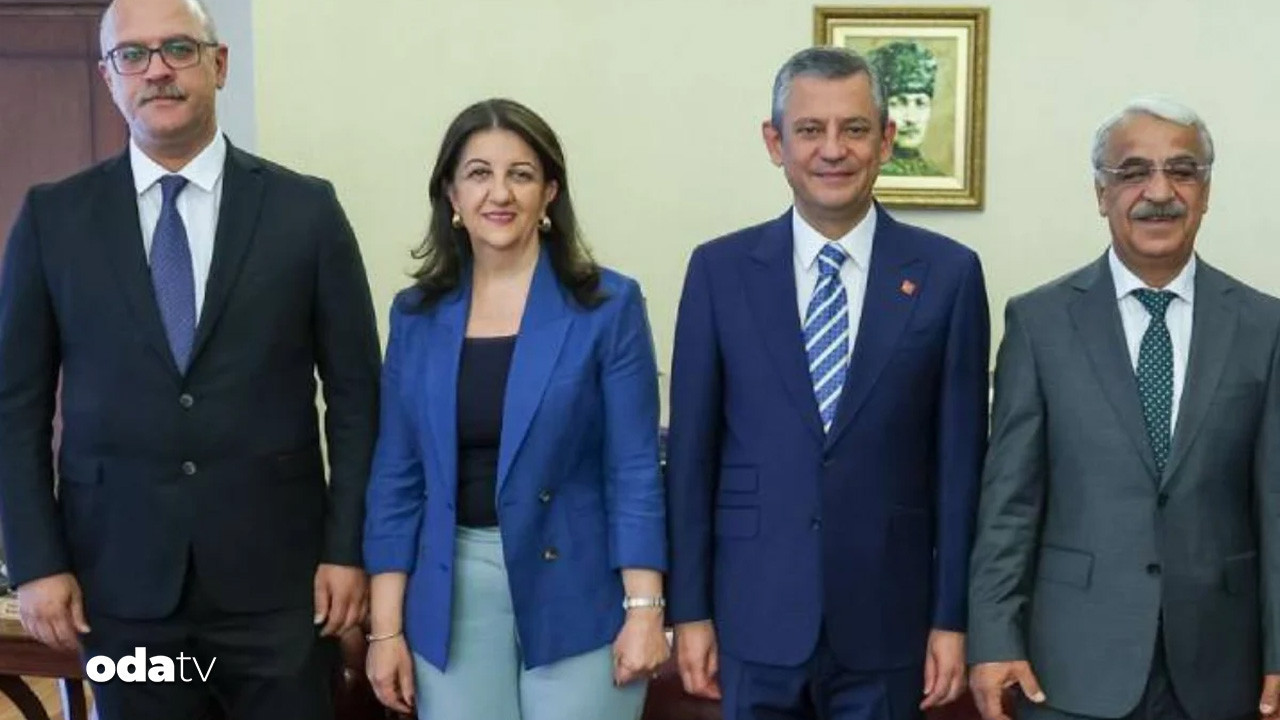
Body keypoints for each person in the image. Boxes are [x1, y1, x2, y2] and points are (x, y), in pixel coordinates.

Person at [0, 0, 381, 717]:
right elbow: (13, 409)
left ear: (219, 64)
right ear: (109, 77)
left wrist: (348, 547)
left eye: (178, 48)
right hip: (119, 585)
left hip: (281, 586)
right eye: (133, 55)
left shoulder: (305, 212)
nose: (157, 71)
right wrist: (36, 561)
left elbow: (358, 398)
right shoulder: (54, 219)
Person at [665, 46, 990, 720]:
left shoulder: (950, 275)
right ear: (775, 142)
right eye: (810, 130)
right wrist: (689, 610)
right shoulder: (719, 272)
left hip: (889, 620)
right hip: (752, 615)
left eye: (855, 129)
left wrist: (952, 618)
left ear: (886, 141)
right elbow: (692, 459)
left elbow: (961, 468)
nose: (833, 150)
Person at [968, 97, 1280, 720]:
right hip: (1069, 666)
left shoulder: (1263, 326)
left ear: (1206, 190)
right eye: (1133, 172)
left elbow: (1275, 506)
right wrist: (995, 638)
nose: (1159, 192)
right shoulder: (1039, 323)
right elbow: (1010, 504)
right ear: (1101, 193)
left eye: (1182, 171)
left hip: (1220, 665)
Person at [362, 98, 669, 720]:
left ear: (549, 192)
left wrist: (645, 609)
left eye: (521, 174)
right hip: (451, 592)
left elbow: (634, 468)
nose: (499, 193)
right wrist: (385, 630)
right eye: (478, 173)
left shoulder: (607, 306)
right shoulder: (415, 316)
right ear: (451, 193)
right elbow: (397, 479)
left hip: (580, 590)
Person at [868, 41, 944, 176]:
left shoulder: (936, 178)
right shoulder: (864, 175)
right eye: (898, 103)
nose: (911, 118)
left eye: (920, 103)